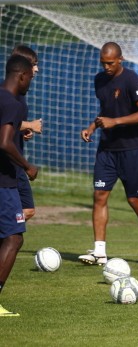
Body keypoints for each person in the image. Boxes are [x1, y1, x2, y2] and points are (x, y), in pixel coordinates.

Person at [79, 42, 138, 266]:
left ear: (120, 59)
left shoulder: (133, 80)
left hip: (132, 149)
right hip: (107, 149)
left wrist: (115, 122)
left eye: (110, 63)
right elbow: (107, 111)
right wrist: (92, 127)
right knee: (99, 195)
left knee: (134, 199)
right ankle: (99, 252)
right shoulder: (99, 80)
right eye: (103, 63)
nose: (106, 67)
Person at [0, 55, 38, 317]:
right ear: (21, 76)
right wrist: (27, 166)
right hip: (4, 182)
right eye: (31, 77)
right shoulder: (14, 104)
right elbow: (3, 142)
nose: (31, 82)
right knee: (14, 237)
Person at [8, 45, 42, 222]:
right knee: (23, 212)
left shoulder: (20, 93)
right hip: (10, 161)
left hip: (16, 159)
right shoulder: (9, 93)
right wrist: (31, 125)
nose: (37, 69)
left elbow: (11, 125)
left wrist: (23, 131)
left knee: (26, 210)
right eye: (34, 64)